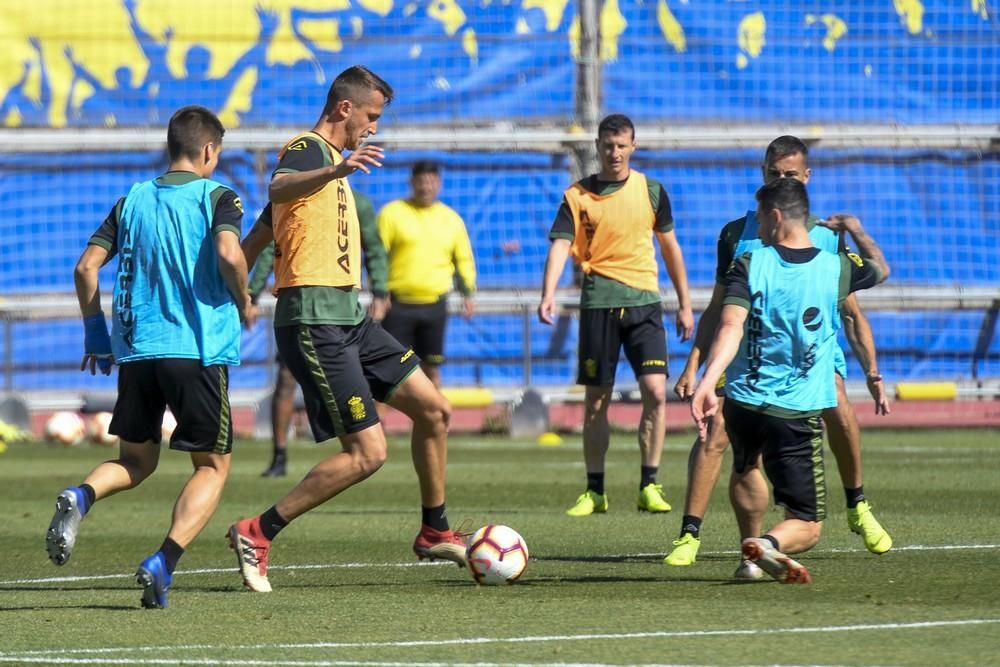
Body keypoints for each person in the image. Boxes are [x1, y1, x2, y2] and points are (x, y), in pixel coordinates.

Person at [229, 65, 465, 594]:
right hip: (314, 321)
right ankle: (257, 531)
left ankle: (435, 529)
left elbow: (261, 232)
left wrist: (239, 284)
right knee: (370, 453)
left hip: (349, 317)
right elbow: (279, 184)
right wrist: (337, 172)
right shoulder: (310, 150)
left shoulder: (334, 166)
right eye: (372, 116)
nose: (374, 127)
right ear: (344, 109)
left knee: (436, 410)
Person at [44, 106, 250, 608]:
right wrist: (243, 298)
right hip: (196, 352)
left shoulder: (131, 199)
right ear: (208, 151)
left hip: (137, 352)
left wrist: (97, 336)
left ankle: (82, 495)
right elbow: (228, 254)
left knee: (135, 461)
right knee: (212, 466)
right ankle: (164, 562)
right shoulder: (218, 196)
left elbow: (85, 268)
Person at [665, 136, 893, 578]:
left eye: (790, 174)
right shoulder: (739, 237)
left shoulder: (826, 240)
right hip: (761, 367)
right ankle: (699, 535)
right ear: (764, 174)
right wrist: (697, 366)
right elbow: (721, 314)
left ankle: (858, 504)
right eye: (775, 173)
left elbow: (850, 312)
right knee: (722, 441)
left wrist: (872, 369)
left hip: (799, 361)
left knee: (839, 412)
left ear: (805, 178)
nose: (782, 179)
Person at [538, 113, 694, 517]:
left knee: (657, 393)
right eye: (608, 145)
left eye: (622, 145)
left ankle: (650, 483)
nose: (615, 153)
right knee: (596, 402)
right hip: (598, 306)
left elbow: (671, 249)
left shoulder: (651, 190)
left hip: (644, 303)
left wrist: (685, 303)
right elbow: (559, 245)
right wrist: (548, 293)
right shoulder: (577, 195)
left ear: (633, 147)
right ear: (598, 147)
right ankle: (595, 490)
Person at [248, 190, 389, 478]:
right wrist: (251, 293)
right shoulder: (298, 198)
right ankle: (279, 454)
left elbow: (373, 247)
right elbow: (267, 245)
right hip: (303, 309)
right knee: (286, 379)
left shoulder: (357, 202)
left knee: (368, 377)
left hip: (342, 310)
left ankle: (364, 445)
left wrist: (381, 290)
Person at [376, 161, 476, 388]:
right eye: (421, 182)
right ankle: (378, 424)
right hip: (398, 306)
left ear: (439, 184)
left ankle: (432, 422)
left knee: (431, 370)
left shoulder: (451, 219)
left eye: (431, 182)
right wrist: (380, 292)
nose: (426, 187)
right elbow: (377, 256)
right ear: (412, 183)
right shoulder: (392, 214)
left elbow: (462, 259)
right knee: (388, 372)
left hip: (434, 306)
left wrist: (467, 292)